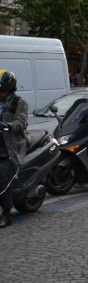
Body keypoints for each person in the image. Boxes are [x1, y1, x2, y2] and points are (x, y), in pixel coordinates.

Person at [0, 70, 29, 228]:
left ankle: (6, 214)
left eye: (2, 91)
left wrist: (8, 126)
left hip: (9, 144)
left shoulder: (19, 102)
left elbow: (22, 121)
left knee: (4, 177)